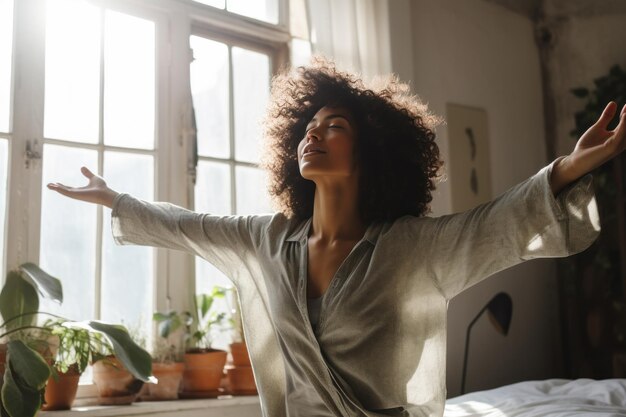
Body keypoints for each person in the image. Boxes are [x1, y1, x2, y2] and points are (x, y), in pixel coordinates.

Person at [48, 59, 625, 417]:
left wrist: (569, 168)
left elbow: (497, 224)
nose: (313, 134)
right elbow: (183, 224)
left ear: (371, 151)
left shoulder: (410, 247)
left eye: (334, 126)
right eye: (308, 127)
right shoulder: (266, 239)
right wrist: (114, 198)